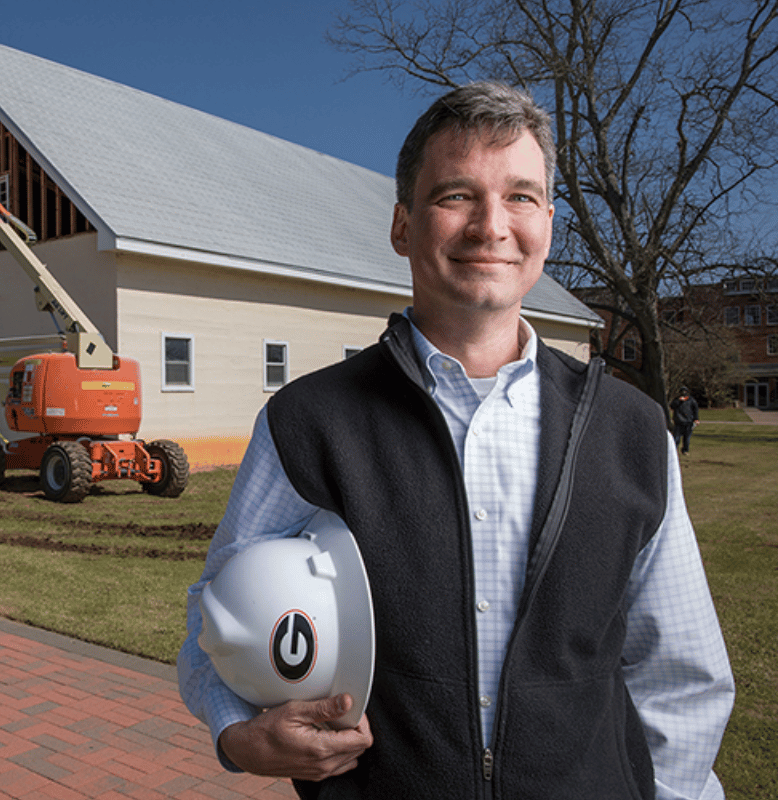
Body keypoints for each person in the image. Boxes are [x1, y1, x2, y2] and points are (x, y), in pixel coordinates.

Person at [178, 82, 733, 799]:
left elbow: (680, 679)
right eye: (456, 196)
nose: (491, 226)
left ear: (550, 225)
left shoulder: (631, 431)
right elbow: (211, 614)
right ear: (403, 226)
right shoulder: (309, 422)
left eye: (521, 197)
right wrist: (236, 732)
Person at [671, 386, 700, 454]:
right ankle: (673, 451)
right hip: (678, 422)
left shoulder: (691, 400)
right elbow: (672, 406)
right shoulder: (676, 400)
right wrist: (679, 401)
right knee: (676, 438)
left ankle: (685, 450)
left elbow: (695, 410)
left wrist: (696, 419)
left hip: (688, 422)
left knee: (687, 439)